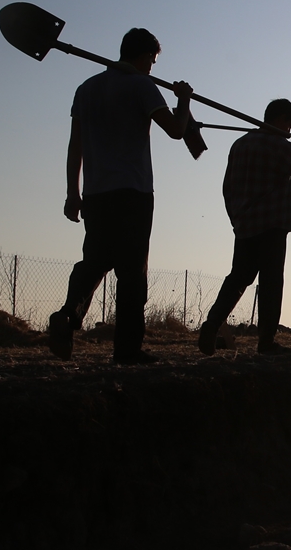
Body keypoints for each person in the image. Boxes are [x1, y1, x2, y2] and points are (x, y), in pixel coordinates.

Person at [46, 28, 193, 364]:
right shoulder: (142, 85)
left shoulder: (87, 89)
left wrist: (72, 191)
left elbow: (75, 146)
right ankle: (127, 349)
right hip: (133, 191)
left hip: (96, 193)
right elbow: (177, 130)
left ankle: (68, 315)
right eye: (152, 62)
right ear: (143, 58)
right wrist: (183, 99)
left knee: (96, 261)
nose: (152, 68)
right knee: (131, 272)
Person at [197, 100, 291, 356]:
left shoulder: (240, 144)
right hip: (272, 223)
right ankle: (266, 341)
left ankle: (212, 324)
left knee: (238, 278)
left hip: (245, 223)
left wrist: (236, 218)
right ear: (281, 119)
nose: (289, 130)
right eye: (289, 125)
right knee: (271, 281)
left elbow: (227, 187)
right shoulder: (277, 144)